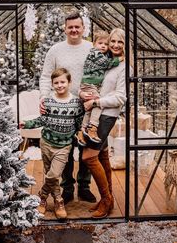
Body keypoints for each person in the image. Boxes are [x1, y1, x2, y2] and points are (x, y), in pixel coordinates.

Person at [39, 11, 96, 205]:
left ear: (83, 28)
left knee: (86, 148)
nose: (73, 30)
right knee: (65, 148)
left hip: (87, 107)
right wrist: (44, 98)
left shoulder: (91, 48)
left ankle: (85, 187)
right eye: (70, 27)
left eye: (77, 27)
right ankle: (68, 187)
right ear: (65, 28)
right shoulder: (55, 50)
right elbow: (46, 76)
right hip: (62, 108)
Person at [22, 68, 84, 219]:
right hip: (46, 143)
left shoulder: (76, 102)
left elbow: (79, 123)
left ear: (69, 83)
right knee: (51, 175)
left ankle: (42, 195)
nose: (59, 85)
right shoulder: (48, 101)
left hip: (64, 146)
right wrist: (27, 124)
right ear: (52, 84)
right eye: (56, 82)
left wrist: (81, 133)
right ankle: (58, 200)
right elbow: (42, 120)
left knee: (54, 174)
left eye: (63, 82)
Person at [82, 28, 128, 219]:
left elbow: (120, 97)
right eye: (113, 41)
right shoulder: (105, 61)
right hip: (95, 112)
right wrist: (83, 94)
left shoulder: (124, 67)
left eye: (120, 42)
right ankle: (105, 200)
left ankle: (107, 199)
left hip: (106, 115)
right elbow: (92, 82)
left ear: (126, 45)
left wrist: (96, 102)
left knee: (88, 157)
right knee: (102, 157)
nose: (116, 45)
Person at [76, 30, 122, 146]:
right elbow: (106, 63)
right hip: (90, 84)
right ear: (94, 44)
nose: (103, 46)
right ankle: (92, 127)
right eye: (100, 43)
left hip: (90, 85)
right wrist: (119, 60)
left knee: (90, 108)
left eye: (106, 44)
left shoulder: (102, 54)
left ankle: (82, 131)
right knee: (96, 102)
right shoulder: (95, 54)